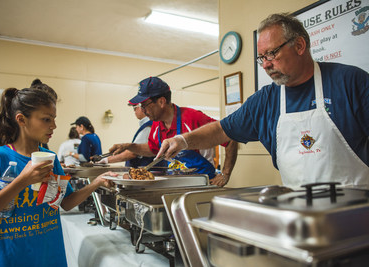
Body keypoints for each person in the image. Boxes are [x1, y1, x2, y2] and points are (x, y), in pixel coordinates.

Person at [156, 13, 369, 189]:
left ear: (300, 46)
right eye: (261, 58)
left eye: (271, 54)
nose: (265, 65)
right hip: (300, 216)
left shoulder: (350, 82)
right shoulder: (266, 100)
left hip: (356, 217)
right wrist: (183, 141)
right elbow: (222, 130)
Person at [0, 86, 114, 267]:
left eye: (53, 119)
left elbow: (66, 202)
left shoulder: (50, 158)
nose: (53, 126)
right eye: (46, 119)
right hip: (9, 257)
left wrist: (97, 182)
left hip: (47, 256)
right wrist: (23, 180)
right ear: (21, 119)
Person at [109, 77, 238, 187]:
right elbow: (152, 149)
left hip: (200, 184)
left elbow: (230, 136)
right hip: (175, 184)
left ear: (161, 102)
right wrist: (128, 146)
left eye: (144, 105)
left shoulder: (192, 118)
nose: (142, 111)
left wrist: (225, 174)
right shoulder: (157, 124)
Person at [98, 103, 163, 168]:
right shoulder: (149, 125)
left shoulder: (148, 127)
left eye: (135, 108)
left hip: (147, 171)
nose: (134, 111)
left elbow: (133, 153)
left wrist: (106, 160)